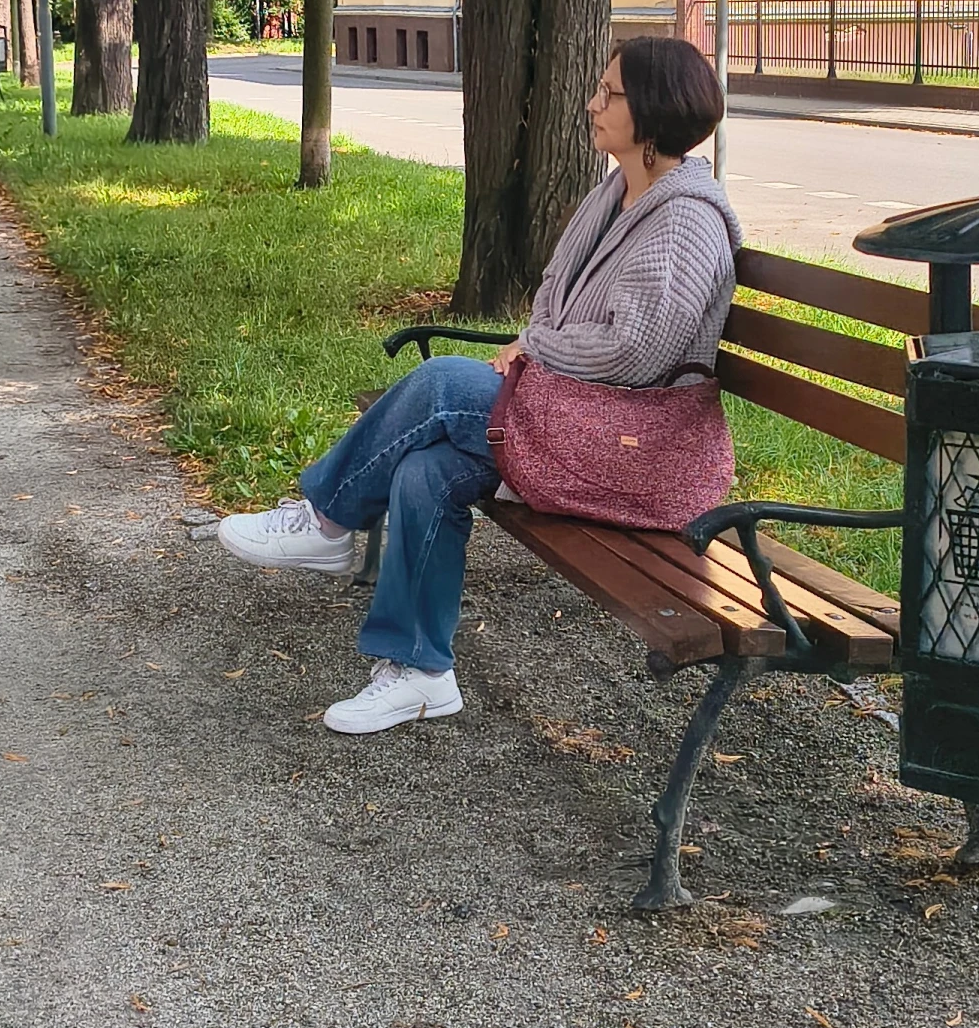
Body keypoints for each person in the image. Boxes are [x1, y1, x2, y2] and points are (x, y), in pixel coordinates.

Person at [218, 36, 742, 736]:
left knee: (441, 383)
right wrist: (538, 348)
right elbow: (557, 303)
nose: (593, 103)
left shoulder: (685, 221)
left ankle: (326, 522)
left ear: (652, 111)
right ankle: (421, 673)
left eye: (610, 93)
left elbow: (638, 352)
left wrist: (535, 350)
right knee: (426, 472)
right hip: (586, 419)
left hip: (640, 455)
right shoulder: (618, 191)